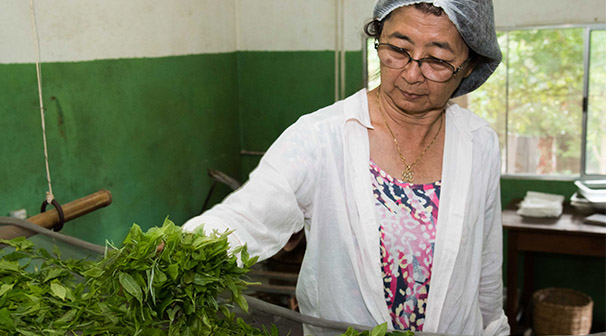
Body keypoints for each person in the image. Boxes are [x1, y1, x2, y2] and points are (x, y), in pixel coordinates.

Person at [183, 0, 509, 335]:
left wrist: (494, 328)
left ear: (468, 66)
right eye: (398, 49)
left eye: (437, 60)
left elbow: (485, 265)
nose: (412, 74)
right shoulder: (319, 136)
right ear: (378, 39)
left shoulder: (478, 143)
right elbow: (248, 216)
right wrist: (185, 249)